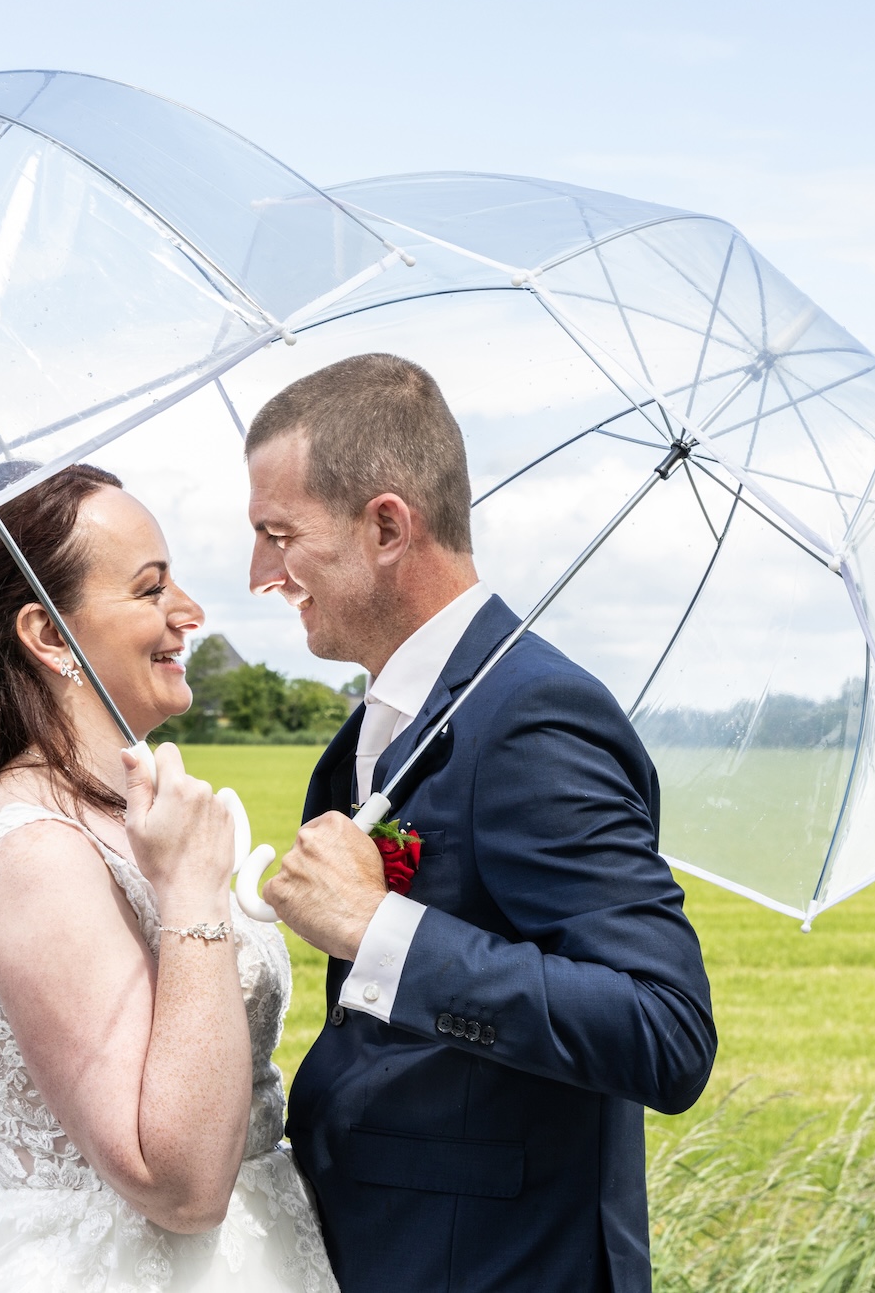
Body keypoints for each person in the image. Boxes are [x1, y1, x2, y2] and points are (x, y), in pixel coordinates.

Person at [247, 354, 717, 1293]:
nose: (261, 573)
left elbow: (664, 1031)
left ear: (386, 525)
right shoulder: (368, 735)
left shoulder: (535, 720)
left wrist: (380, 930)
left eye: (278, 534)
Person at [0, 460, 337, 1293]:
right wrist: (190, 894)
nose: (191, 613)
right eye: (150, 590)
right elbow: (178, 1186)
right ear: (48, 634)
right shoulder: (35, 849)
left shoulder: (124, 812)